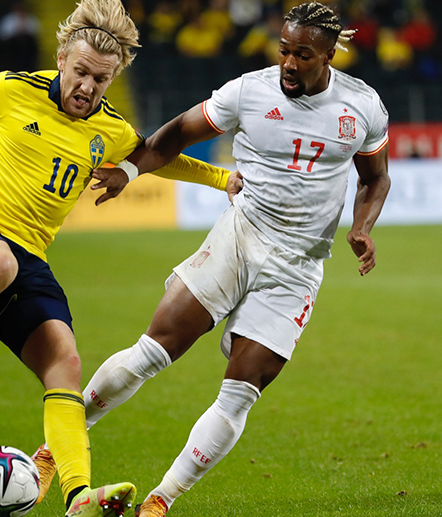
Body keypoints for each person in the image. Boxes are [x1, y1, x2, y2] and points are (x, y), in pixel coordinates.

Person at [0, 0, 237, 515]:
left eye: (101, 80)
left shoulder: (110, 132)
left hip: (27, 259)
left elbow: (157, 154)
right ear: (61, 58)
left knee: (66, 363)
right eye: (80, 72)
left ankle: (77, 496)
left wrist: (223, 177)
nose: (87, 87)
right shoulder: (10, 89)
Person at [32, 2, 391, 515]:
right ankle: (52, 452)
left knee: (241, 392)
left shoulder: (363, 107)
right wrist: (129, 173)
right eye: (284, 50)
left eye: (303, 55)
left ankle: (161, 500)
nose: (289, 62)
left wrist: (362, 226)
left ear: (330, 55)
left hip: (298, 267)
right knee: (152, 350)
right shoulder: (249, 91)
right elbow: (176, 134)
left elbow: (376, 177)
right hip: (239, 237)